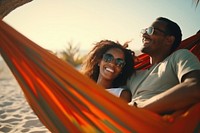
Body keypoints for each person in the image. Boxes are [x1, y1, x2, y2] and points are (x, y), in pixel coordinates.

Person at [127, 17, 200, 114]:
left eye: (151, 31)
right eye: (145, 30)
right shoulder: (135, 74)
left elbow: (195, 88)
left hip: (147, 122)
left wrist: (140, 109)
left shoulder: (178, 57)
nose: (144, 34)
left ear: (169, 40)